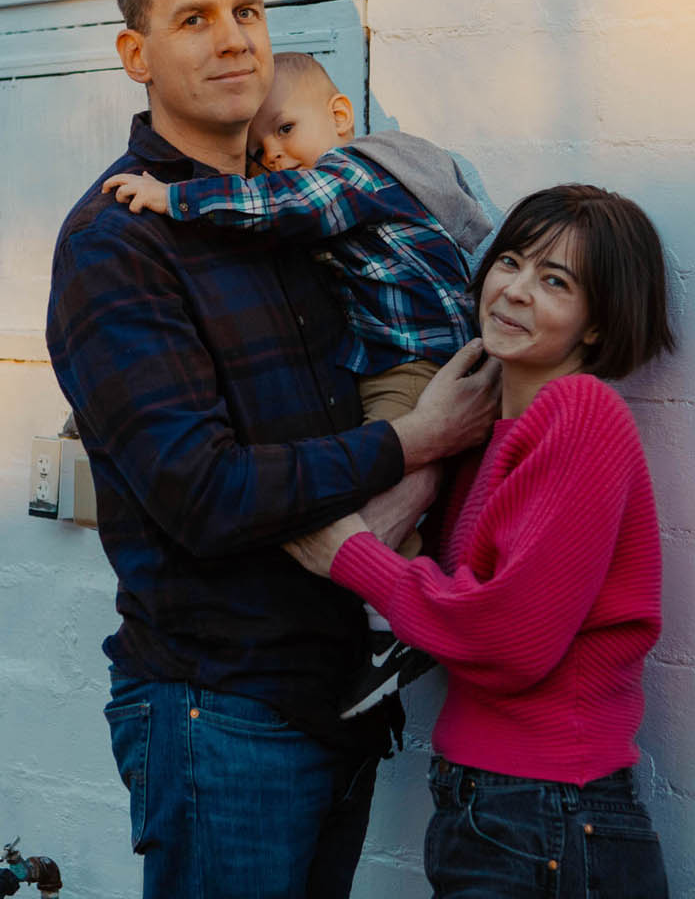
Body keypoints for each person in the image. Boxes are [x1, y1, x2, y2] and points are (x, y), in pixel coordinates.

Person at [44, 0, 500, 899]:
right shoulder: (117, 245)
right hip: (225, 715)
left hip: (339, 700)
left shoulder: (301, 211)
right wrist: (415, 439)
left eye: (247, 11)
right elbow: (202, 492)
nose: (233, 39)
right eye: (194, 19)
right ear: (136, 54)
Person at [286, 183, 677, 898]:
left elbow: (509, 639)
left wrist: (351, 555)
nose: (515, 290)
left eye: (555, 282)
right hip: (504, 808)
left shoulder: (581, 412)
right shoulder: (499, 432)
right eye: (511, 262)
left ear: (597, 324)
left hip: (548, 811)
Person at [98, 49, 493, 718]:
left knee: (378, 476)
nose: (274, 155)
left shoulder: (356, 171)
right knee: (368, 466)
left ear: (339, 115)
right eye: (259, 150)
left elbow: (283, 206)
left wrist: (175, 197)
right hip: (393, 358)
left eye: (285, 129)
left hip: (421, 361)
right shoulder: (352, 190)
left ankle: (394, 626)